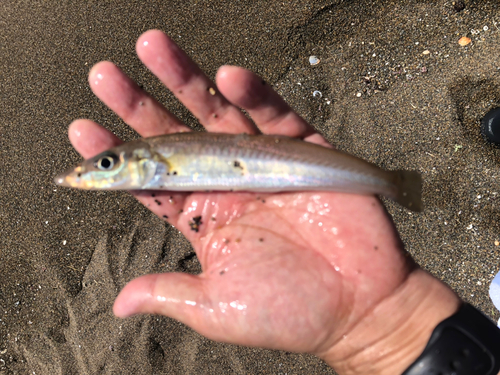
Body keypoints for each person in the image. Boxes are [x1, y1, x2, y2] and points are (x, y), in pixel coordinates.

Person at [68, 29, 481, 374]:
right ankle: (388, 183)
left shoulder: (160, 157)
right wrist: (385, 336)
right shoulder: (157, 163)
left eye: (106, 163)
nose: (96, 171)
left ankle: (388, 182)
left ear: (142, 160)